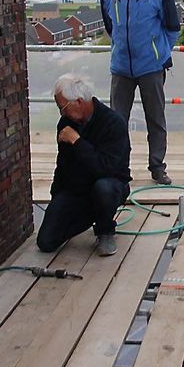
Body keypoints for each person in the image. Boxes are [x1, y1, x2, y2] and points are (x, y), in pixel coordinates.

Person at [100, 0, 181, 185]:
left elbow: (173, 27)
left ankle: (157, 168)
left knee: (155, 119)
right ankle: (119, 171)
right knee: (116, 122)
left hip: (151, 69)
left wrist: (159, 54)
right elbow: (110, 27)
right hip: (121, 69)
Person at [37, 75, 132, 256]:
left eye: (63, 107)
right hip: (77, 188)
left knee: (103, 188)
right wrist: (55, 200)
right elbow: (62, 165)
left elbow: (105, 168)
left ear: (79, 102)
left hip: (110, 184)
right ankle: (92, 215)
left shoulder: (113, 123)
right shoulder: (66, 123)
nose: (62, 113)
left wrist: (77, 141)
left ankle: (105, 229)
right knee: (46, 242)